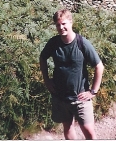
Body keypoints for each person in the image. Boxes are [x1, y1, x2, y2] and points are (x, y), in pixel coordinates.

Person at [40, 9, 104, 140]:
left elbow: (99, 66)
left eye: (63, 23)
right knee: (68, 127)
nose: (61, 27)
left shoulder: (82, 43)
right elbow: (42, 58)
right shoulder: (53, 43)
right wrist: (46, 80)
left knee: (89, 132)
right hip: (60, 96)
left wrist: (93, 92)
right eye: (58, 25)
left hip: (80, 97)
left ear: (71, 22)